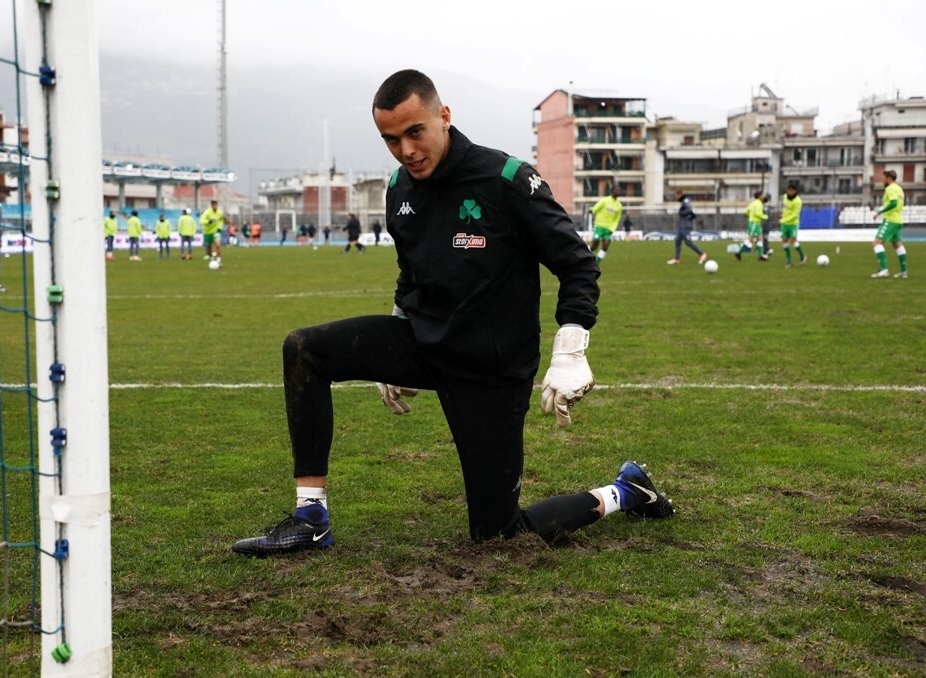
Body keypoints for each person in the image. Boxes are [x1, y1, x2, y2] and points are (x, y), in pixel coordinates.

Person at [231, 69, 674, 557]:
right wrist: (398, 325)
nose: (405, 151)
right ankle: (311, 518)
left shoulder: (507, 180)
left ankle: (626, 491)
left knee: (498, 534)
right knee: (305, 349)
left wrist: (571, 347)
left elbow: (577, 264)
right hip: (424, 344)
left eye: (414, 132)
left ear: (443, 116)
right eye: (391, 140)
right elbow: (412, 274)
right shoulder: (399, 188)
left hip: (491, 366)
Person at [871, 170, 908, 279]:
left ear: (888, 178)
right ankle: (904, 272)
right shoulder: (899, 189)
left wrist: (880, 212)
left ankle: (884, 270)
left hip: (890, 220)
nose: (883, 180)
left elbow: (894, 203)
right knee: (897, 245)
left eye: (884, 178)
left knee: (876, 243)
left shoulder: (890, 188)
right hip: (898, 220)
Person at [666, 190, 707, 266]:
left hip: (686, 225)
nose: (676, 197)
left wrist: (680, 213)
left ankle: (702, 254)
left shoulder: (686, 201)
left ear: (679, 195)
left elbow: (689, 210)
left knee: (688, 242)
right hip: (682, 225)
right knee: (678, 241)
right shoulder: (683, 201)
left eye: (676, 196)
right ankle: (677, 259)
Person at [589, 186, 622, 265]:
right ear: (612, 191)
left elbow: (617, 219)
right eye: (616, 190)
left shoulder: (619, 206)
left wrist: (612, 229)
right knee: (594, 247)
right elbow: (596, 208)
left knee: (605, 246)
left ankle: (596, 263)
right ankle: (581, 252)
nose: (618, 191)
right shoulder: (605, 200)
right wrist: (592, 211)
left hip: (608, 229)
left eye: (619, 190)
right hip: (599, 226)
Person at [779, 184, 806, 268]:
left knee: (793, 241)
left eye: (792, 190)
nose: (790, 191)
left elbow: (795, 214)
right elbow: (785, 208)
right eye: (789, 190)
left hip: (793, 224)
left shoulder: (798, 201)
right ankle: (789, 260)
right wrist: (782, 216)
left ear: (795, 191)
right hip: (784, 224)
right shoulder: (785, 197)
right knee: (784, 240)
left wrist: (784, 220)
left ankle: (802, 255)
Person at [736, 191, 769, 261]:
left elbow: (746, 212)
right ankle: (739, 252)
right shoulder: (759, 203)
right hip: (755, 223)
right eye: (762, 195)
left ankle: (760, 255)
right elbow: (758, 214)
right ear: (759, 196)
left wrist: (750, 216)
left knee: (760, 239)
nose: (763, 197)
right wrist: (765, 216)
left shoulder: (752, 203)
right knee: (750, 239)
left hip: (754, 223)